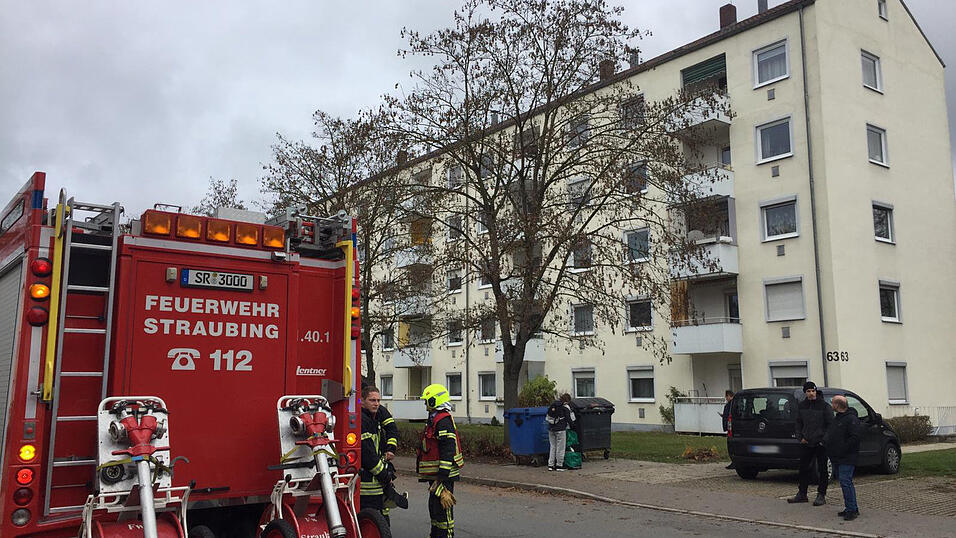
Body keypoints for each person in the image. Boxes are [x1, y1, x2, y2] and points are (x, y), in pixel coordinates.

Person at [417, 384, 464, 538]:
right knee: (435, 508)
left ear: (434, 400)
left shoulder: (442, 421)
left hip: (443, 476)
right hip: (436, 476)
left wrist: (442, 477)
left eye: (426, 401)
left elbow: (447, 449)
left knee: (444, 513)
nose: (425, 405)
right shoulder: (434, 419)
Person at [359, 386, 407, 524]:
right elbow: (368, 457)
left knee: (381, 521)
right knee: (372, 523)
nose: (376, 403)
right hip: (368, 486)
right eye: (372, 400)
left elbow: (392, 429)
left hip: (378, 484)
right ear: (362, 401)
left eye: (378, 400)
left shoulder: (377, 414)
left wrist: (391, 448)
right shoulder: (362, 421)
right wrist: (385, 477)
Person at [788, 381, 834, 506]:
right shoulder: (802, 406)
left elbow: (831, 425)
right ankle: (802, 493)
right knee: (803, 468)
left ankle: (821, 494)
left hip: (820, 443)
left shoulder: (824, 406)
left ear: (816, 391)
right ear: (805, 393)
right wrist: (800, 437)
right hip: (806, 442)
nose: (811, 393)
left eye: (813, 391)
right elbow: (798, 423)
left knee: (822, 469)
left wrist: (823, 440)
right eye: (808, 391)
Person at [825, 395, 862, 521]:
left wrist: (842, 449)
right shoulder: (838, 419)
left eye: (832, 403)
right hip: (839, 456)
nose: (831, 405)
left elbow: (855, 438)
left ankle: (851, 509)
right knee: (846, 482)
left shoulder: (850, 419)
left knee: (846, 482)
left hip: (847, 456)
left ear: (837, 405)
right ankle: (851, 507)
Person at [546, 393, 575, 471]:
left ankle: (550, 465)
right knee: (560, 447)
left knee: (552, 447)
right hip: (560, 429)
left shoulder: (553, 405)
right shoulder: (565, 407)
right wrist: (573, 426)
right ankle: (559, 465)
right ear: (567, 401)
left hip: (551, 429)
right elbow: (569, 419)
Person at [722, 390, 735, 470]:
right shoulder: (736, 403)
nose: (726, 398)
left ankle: (734, 462)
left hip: (731, 427)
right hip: (732, 426)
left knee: (731, 446)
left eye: (726, 397)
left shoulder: (730, 405)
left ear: (728, 396)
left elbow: (729, 415)